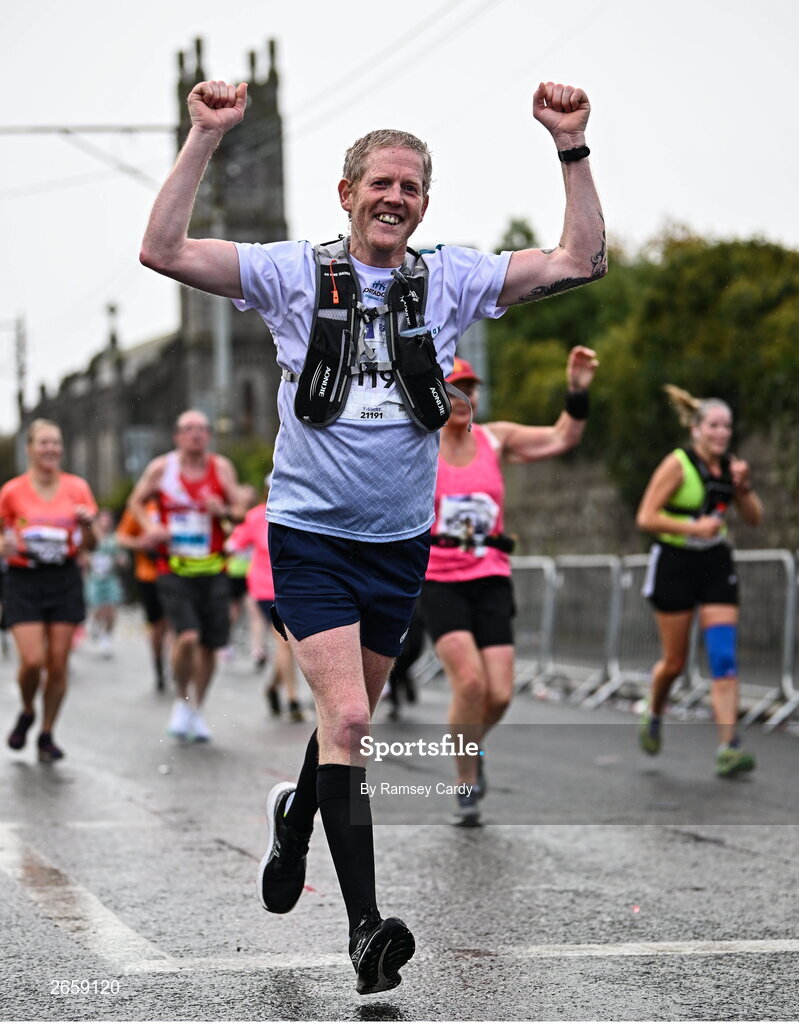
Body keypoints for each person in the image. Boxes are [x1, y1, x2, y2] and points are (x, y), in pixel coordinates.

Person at [139, 76, 606, 994]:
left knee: (338, 727)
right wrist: (203, 136)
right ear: (346, 193)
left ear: (423, 203)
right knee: (353, 719)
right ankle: (364, 933)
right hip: (308, 535)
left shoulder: (452, 278)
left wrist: (571, 144)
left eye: (412, 187)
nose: (395, 198)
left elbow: (579, 261)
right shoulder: (289, 273)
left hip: (399, 545)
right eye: (380, 183)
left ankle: (294, 820)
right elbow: (161, 249)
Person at [419, 349, 598, 825]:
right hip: (440, 579)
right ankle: (464, 782)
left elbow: (565, 436)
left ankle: (471, 743)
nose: (463, 397)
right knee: (470, 682)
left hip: (491, 577)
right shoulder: (418, 443)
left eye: (470, 388)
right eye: (453, 388)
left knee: (499, 694)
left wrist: (576, 390)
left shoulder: (496, 440)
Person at [636, 385, 763, 777]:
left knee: (723, 657)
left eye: (726, 426)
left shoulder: (731, 468)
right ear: (696, 429)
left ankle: (729, 746)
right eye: (713, 425)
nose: (722, 433)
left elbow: (755, 518)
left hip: (714, 562)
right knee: (674, 663)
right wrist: (693, 525)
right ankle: (654, 711)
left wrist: (744, 489)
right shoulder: (678, 463)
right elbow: (646, 517)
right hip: (674, 562)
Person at [127, 409, 246, 742]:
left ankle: (196, 709)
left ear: (208, 436)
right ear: (177, 436)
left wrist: (221, 510)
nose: (196, 434)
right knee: (188, 636)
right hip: (173, 568)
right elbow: (135, 501)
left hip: (214, 569)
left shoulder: (220, 468)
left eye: (202, 429)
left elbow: (240, 513)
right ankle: (182, 699)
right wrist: (152, 526)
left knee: (210, 645)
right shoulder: (162, 469)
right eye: (188, 429)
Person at [0, 419, 98, 762]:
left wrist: (88, 527)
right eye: (43, 443)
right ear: (29, 448)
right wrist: (5, 546)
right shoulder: (12, 491)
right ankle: (27, 709)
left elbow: (94, 543)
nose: (51, 449)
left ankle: (46, 733)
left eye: (55, 443)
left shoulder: (77, 488)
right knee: (32, 660)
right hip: (23, 579)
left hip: (64, 577)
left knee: (58, 665)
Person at [226, 480, 304, 722]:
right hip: (264, 589)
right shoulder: (255, 517)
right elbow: (233, 544)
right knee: (285, 642)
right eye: (273, 489)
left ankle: (273, 687)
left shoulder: (299, 514)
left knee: (289, 644)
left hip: (295, 588)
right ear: (266, 492)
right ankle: (292, 701)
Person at [115, 499, 169, 691]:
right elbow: (121, 536)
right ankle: (159, 666)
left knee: (175, 624)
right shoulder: (140, 506)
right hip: (149, 576)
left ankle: (175, 664)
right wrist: (140, 543)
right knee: (157, 625)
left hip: (177, 573)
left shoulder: (178, 500)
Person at [84, 508, 126, 658]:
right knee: (98, 609)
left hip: (110, 579)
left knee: (110, 610)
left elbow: (122, 557)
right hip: (95, 580)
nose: (105, 523)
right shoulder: (91, 538)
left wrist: (121, 560)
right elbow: (83, 554)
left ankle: (106, 638)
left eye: (107, 521)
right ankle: (95, 625)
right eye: (102, 520)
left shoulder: (115, 539)